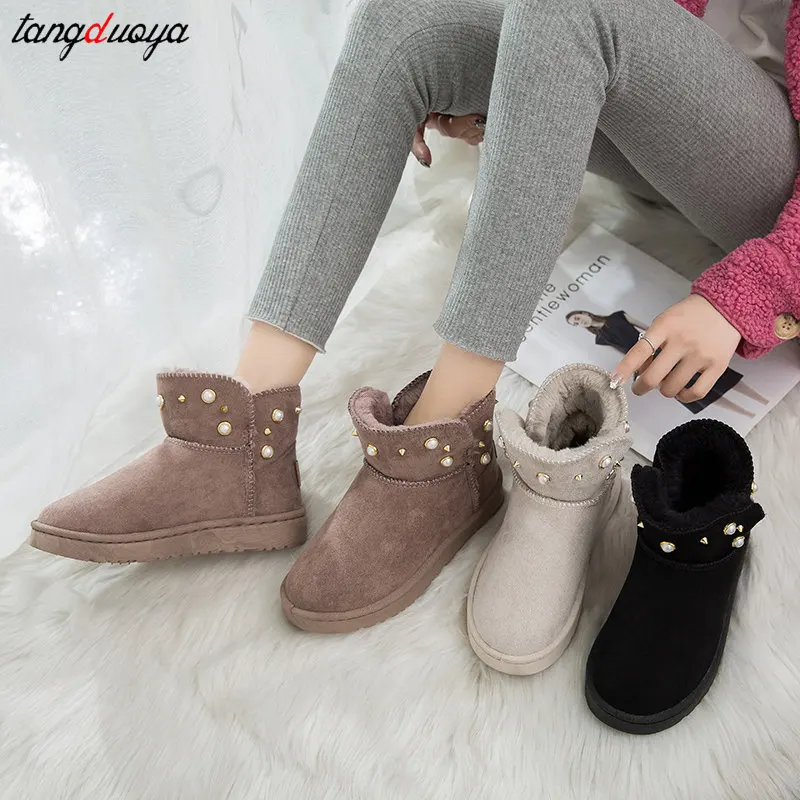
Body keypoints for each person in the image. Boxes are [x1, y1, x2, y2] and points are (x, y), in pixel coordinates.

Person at [30, 0, 800, 626]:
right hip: (680, 120)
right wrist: (519, 98)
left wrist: (752, 293)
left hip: (780, 180)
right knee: (405, 22)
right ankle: (241, 439)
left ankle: (444, 448)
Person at [566, 310, 769, 417]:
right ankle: (747, 413)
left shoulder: (617, 316)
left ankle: (762, 401)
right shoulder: (599, 338)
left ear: (584, 313)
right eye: (575, 323)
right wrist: (633, 368)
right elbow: (621, 352)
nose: (578, 321)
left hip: (660, 344)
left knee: (714, 373)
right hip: (646, 360)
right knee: (692, 388)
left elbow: (647, 326)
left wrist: (667, 337)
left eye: (577, 317)